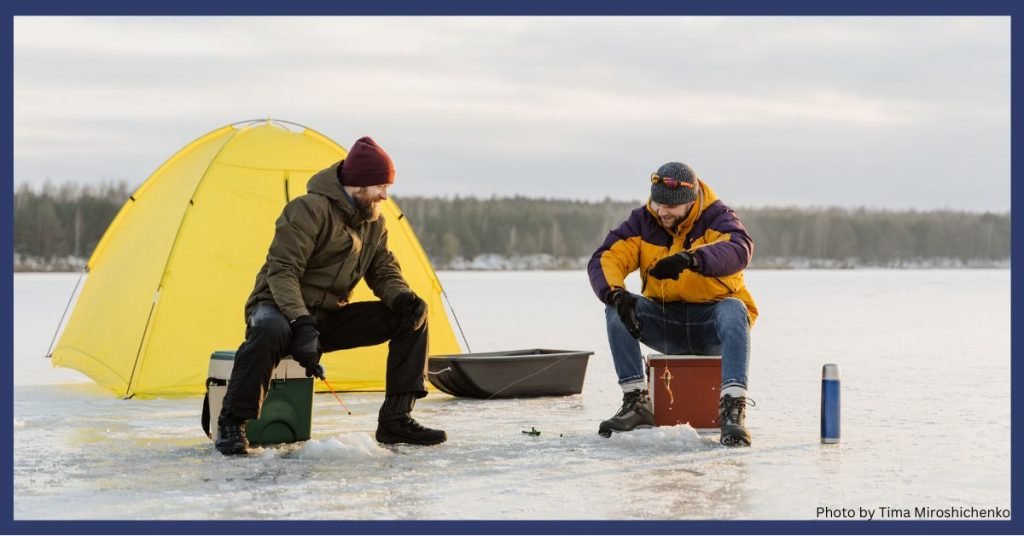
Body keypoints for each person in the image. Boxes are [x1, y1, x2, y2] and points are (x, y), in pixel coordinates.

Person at [215, 136, 446, 455]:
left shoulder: (374, 222)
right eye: (380, 185)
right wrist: (301, 322)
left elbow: (382, 270)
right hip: (276, 307)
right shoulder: (307, 210)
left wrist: (402, 298)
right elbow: (282, 271)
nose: (385, 194)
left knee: (410, 318)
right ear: (359, 185)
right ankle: (231, 423)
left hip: (325, 317)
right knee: (271, 332)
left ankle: (396, 420)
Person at [587, 162, 759, 446]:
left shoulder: (717, 217)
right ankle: (636, 403)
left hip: (711, 326)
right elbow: (607, 257)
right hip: (666, 322)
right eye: (657, 203)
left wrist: (692, 259)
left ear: (691, 202)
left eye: (670, 206)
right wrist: (616, 293)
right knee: (616, 307)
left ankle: (733, 410)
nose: (662, 211)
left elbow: (739, 249)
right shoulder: (643, 221)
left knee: (734, 309)